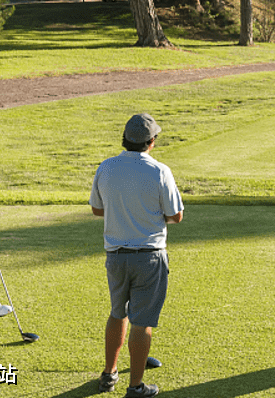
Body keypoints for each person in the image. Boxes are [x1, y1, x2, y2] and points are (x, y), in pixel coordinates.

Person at [90, 114, 184, 397]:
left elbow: (97, 209)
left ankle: (109, 373)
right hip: (149, 256)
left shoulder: (106, 167)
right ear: (151, 141)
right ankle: (136, 386)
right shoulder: (159, 171)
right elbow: (175, 216)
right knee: (142, 321)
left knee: (118, 314)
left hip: (116, 256)